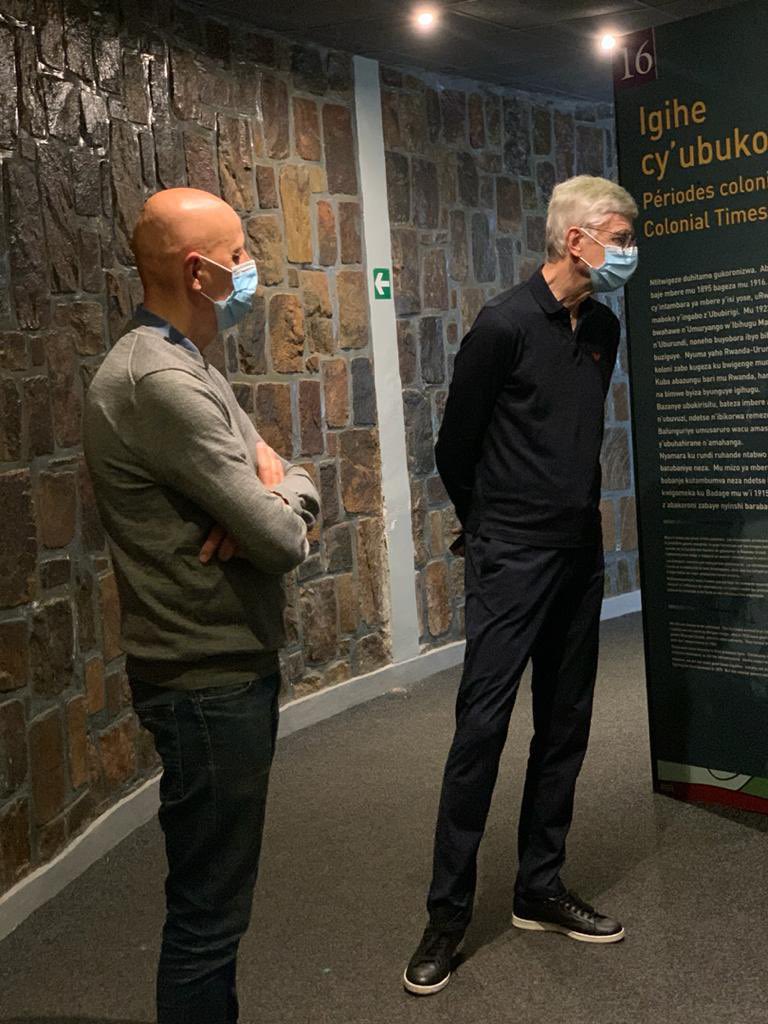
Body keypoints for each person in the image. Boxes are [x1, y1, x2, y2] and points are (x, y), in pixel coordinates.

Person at [84, 188, 320, 1024]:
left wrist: (281, 486)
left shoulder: (189, 361)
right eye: (240, 254)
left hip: (221, 674)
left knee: (216, 906)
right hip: (204, 685)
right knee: (208, 919)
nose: (250, 267)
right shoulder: (159, 381)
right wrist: (281, 497)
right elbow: (281, 537)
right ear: (198, 271)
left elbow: (275, 480)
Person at [403, 175, 639, 996]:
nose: (628, 250)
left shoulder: (603, 327)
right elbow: (455, 445)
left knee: (565, 725)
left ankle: (540, 885)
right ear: (575, 239)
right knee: (482, 730)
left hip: (578, 554)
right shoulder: (502, 325)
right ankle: (446, 917)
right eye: (619, 236)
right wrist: (492, 527)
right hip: (510, 557)